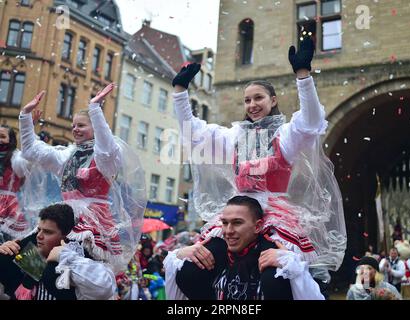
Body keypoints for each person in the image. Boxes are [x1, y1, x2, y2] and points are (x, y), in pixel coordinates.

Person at [171, 32, 346, 284]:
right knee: (191, 273)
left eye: (259, 98)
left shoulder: (285, 135)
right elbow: (193, 131)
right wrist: (180, 92)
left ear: (273, 100)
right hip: (237, 215)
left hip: (274, 218)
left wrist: (303, 77)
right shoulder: (233, 136)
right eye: (247, 100)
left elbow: (310, 122)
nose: (252, 104)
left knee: (274, 279)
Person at [18, 84, 147, 273]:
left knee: (73, 266)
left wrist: (95, 109)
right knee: (28, 256)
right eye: (73, 126)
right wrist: (25, 116)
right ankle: (30, 287)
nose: (75, 130)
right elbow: (31, 150)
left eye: (81, 125)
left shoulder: (105, 157)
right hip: (63, 215)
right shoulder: (67, 154)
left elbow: (107, 147)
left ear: (95, 128)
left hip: (92, 220)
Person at [164, 195, 325, 300]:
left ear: (258, 226)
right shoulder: (216, 257)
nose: (228, 231)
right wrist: (179, 254)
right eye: (225, 223)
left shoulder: (277, 261)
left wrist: (292, 265)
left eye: (237, 223)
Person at [0, 203, 116, 300]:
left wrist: (64, 256)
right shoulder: (31, 255)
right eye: (39, 230)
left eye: (48, 232)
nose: (39, 236)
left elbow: (105, 287)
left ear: (65, 236)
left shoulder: (76, 262)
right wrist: (4, 251)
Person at [0, 124, 31, 241]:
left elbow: (23, 176)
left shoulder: (17, 157)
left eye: (2, 136)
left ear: (11, 140)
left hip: (9, 203)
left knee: (11, 239)